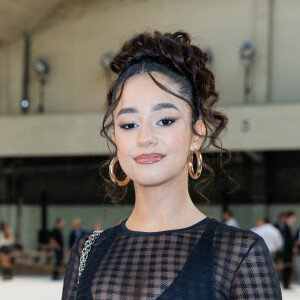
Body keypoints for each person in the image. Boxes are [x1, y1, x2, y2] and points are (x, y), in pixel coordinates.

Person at [62, 30, 281, 299]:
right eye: (129, 124)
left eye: (165, 120)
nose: (145, 138)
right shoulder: (87, 251)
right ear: (115, 138)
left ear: (197, 134)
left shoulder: (239, 254)